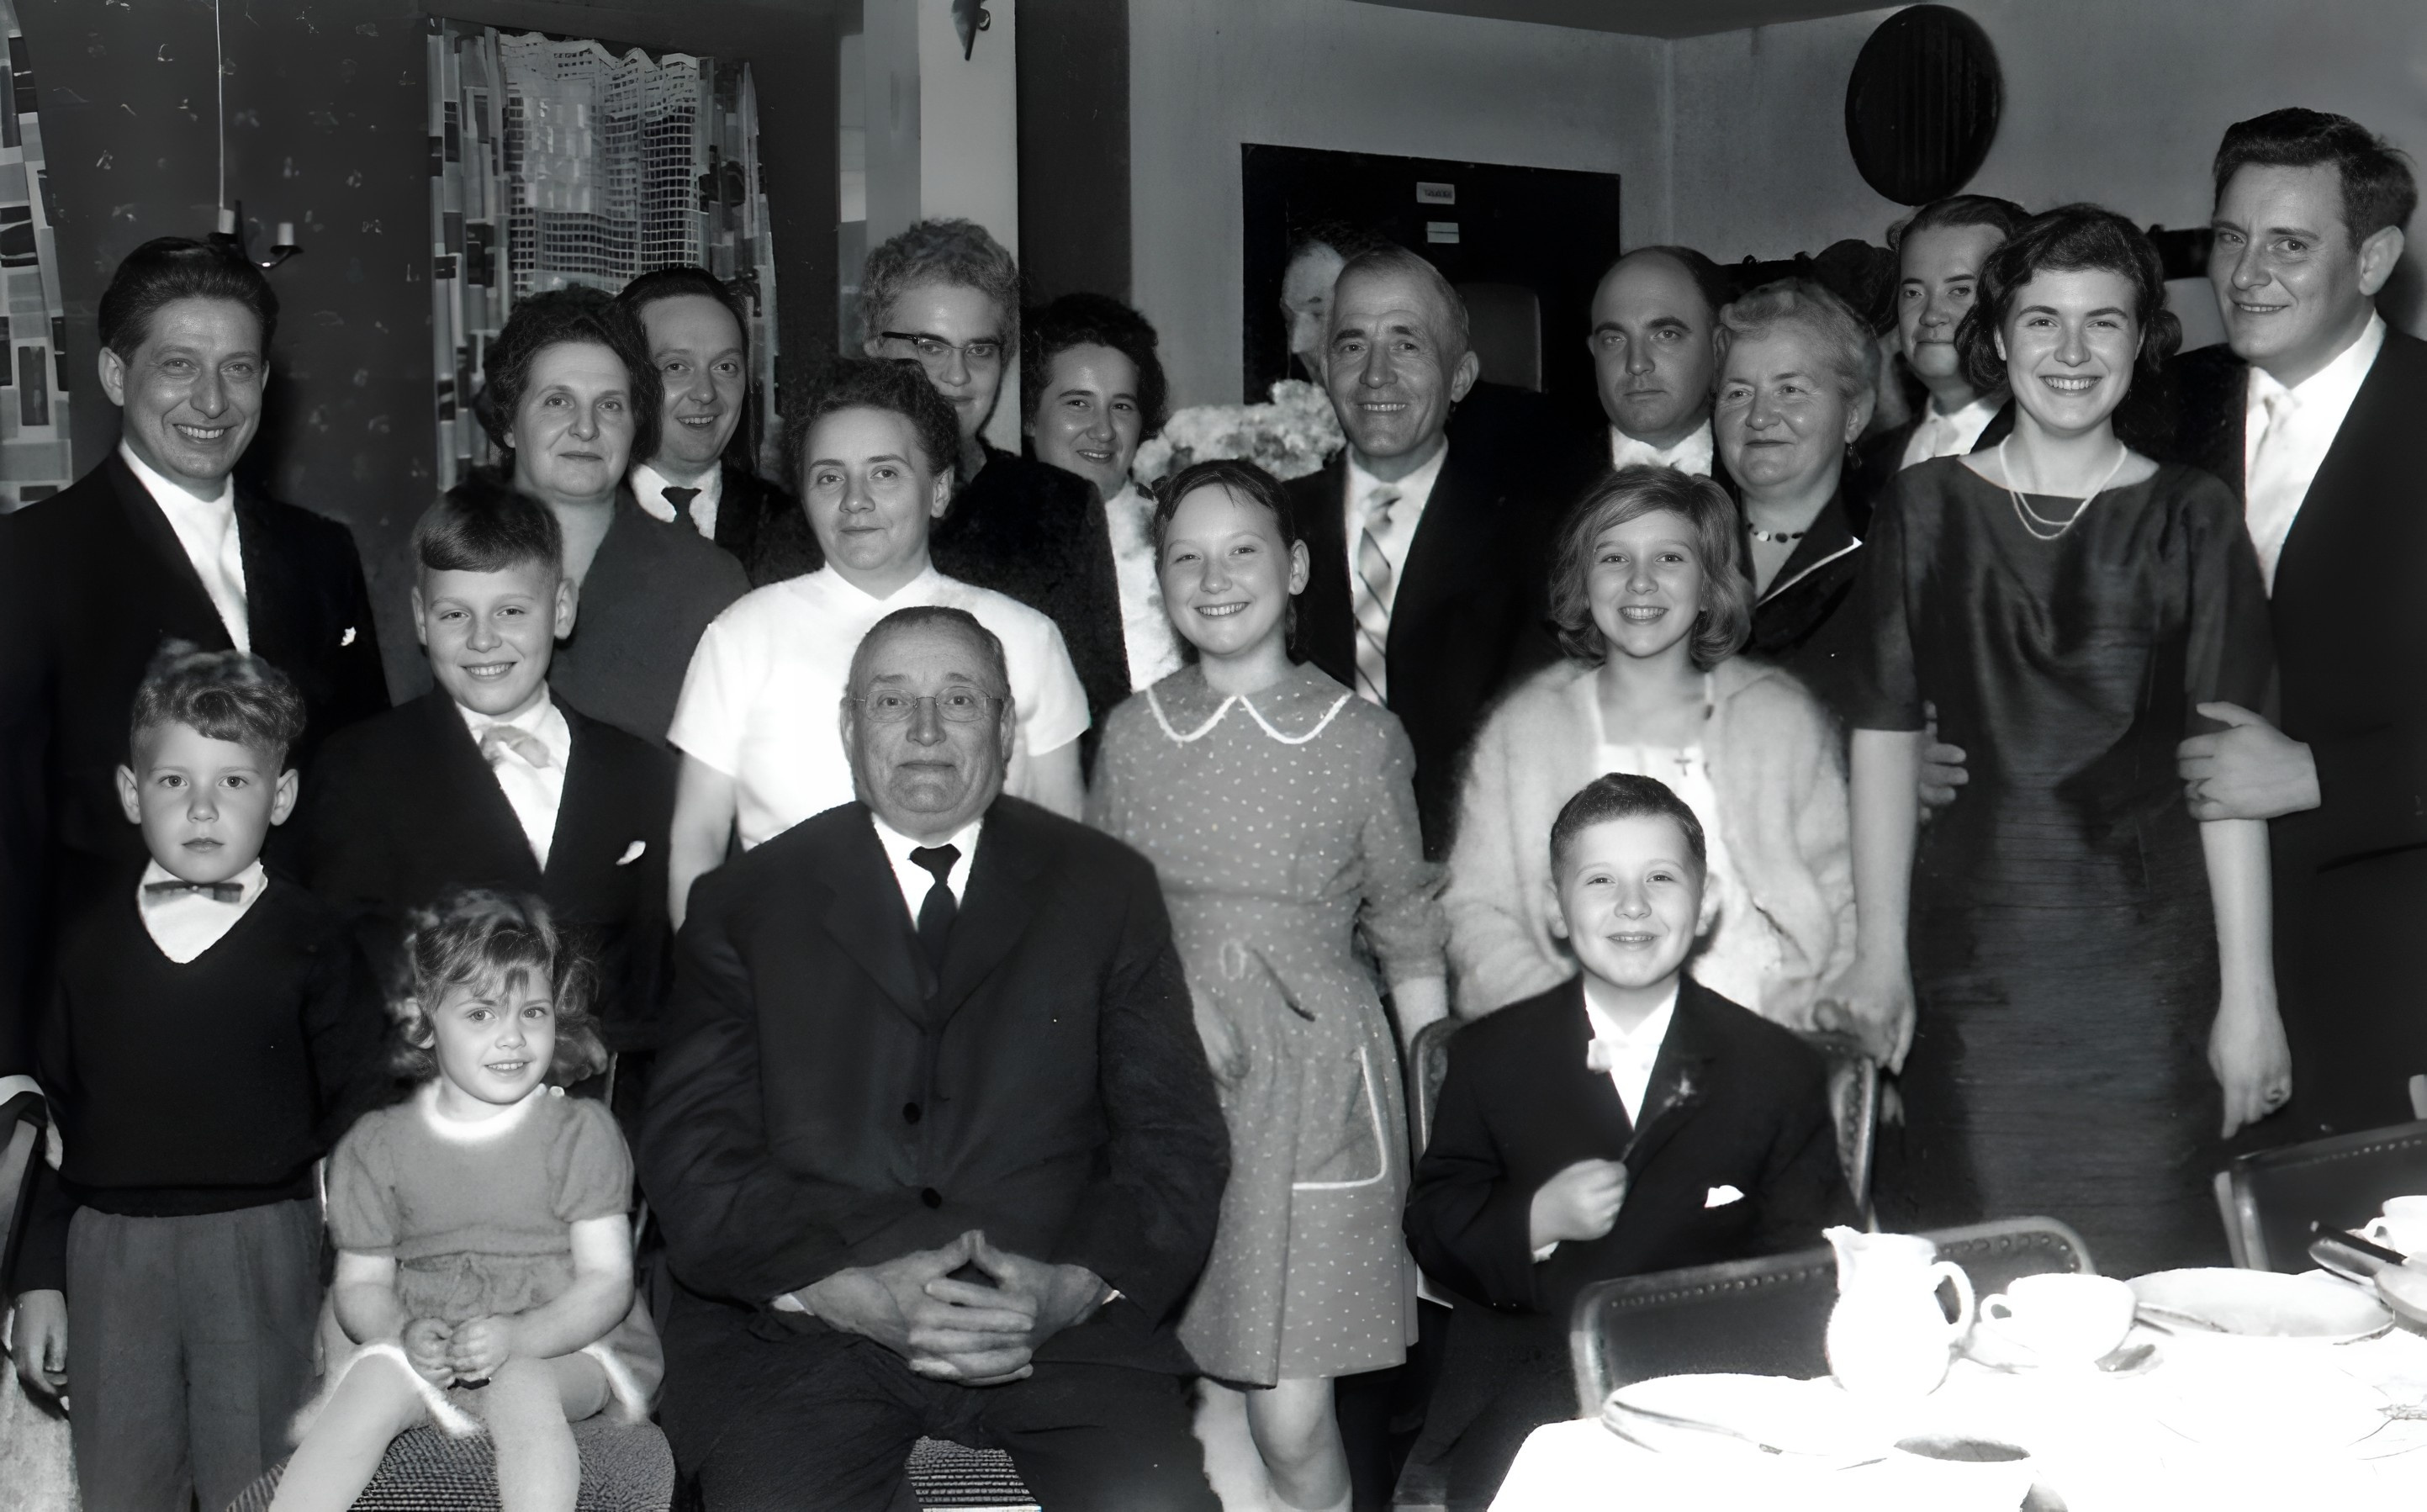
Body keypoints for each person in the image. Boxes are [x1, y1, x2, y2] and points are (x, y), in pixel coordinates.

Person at [642, 605, 1229, 1511]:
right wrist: (844, 1291)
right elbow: (692, 1152)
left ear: (1004, 727)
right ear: (848, 725)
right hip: (809, 1337)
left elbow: (1175, 1139)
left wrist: (1067, 1290)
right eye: (891, 700)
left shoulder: (1105, 888)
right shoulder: (745, 903)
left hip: (1052, 1332)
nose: (924, 728)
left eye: (959, 699)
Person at [1834, 205, 2285, 1276]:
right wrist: (1877, 954)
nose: (2071, 354)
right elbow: (1885, 738)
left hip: (2149, 988)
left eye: (2103, 324)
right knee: (1988, 1289)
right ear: (1996, 339)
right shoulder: (1926, 505)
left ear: (2144, 342)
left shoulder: (2194, 515)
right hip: (1974, 979)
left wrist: (2250, 1001)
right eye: (2042, 322)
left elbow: (2228, 778)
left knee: (2145, 1295)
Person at [1088, 460, 1446, 1512]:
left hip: (1318, 1098)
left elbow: (1410, 937)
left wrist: (1442, 1137)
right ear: (1160, 581)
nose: (1214, 576)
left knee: (1290, 1414)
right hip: (1173, 1093)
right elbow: (1105, 930)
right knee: (1204, 1404)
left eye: (1241, 549)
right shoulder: (1133, 734)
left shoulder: (1362, 738)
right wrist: (1168, 1006)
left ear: (1293, 567)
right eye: (1185, 557)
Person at [1406, 774, 1852, 1511]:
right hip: (1530, 1390)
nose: (1633, 905)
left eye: (1661, 879)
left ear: (1704, 902)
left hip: (1717, 1391)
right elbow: (1434, 1222)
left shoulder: (1776, 1067)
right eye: (1601, 880)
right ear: (1556, 908)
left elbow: (1811, 1265)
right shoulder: (1491, 1058)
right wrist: (1535, 1221)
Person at [7, 647, 385, 1512]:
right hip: (111, 1255)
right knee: (121, 1482)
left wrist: (350, 1280)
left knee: (258, 1479)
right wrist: (39, 1279)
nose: (203, 807)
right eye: (174, 781)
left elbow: (362, 1122)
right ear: (131, 793)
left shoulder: (317, 938)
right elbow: (55, 1124)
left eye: (234, 783)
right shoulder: (84, 945)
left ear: (280, 796)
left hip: (262, 1247)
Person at [0, 236, 388, 1074]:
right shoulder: (30, 560)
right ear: (115, 375)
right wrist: (11, 1062)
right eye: (178, 364)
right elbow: (9, 832)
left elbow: (361, 795)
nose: (211, 400)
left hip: (305, 1018)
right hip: (116, 1030)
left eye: (239, 368)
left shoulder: (320, 554)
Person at [2158, 109, 2427, 1139]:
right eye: (2230, 237)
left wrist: (2321, 776)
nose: (2246, 272)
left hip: (2385, 984)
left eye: (2289, 244)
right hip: (2175, 973)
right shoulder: (2159, 412)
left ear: (2374, 259)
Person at [270, 889, 662, 1512]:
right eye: (481, 1014)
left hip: (565, 1346)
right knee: (370, 1381)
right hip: (434, 1338)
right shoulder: (378, 1145)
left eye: (532, 1012)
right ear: (425, 1021)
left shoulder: (577, 1135)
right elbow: (361, 1287)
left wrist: (522, 1337)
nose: (513, 1038)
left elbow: (606, 1282)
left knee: (522, 1386)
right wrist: (402, 1331)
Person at [664, 357, 1089, 927]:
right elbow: (696, 844)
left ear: (938, 491)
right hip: (794, 976)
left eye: (884, 473)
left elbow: (1068, 843)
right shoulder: (741, 635)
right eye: (829, 477)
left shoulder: (1025, 637)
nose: (854, 500)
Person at [295, 487, 675, 1099]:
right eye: (454, 615)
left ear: (562, 608)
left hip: (606, 1142)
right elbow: (342, 990)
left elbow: (663, 989)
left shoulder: (641, 776)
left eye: (511, 612)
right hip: (428, 1135)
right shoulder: (360, 770)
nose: (482, 640)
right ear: (421, 619)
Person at [1446, 466, 1852, 1024]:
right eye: (1613, 558)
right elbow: (1477, 912)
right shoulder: (1525, 730)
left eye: (1670, 558)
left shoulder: (1780, 721)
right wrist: (1565, 1027)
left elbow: (1844, 898)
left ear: (1709, 586)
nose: (1640, 581)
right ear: (1583, 584)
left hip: (1762, 1047)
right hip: (1572, 1056)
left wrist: (1815, 1031)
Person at [1288, 246, 1563, 857]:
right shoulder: (1271, 526)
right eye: (1352, 345)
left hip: (1464, 879)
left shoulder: (1535, 540)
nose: (1376, 374)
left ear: (1461, 377)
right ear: (1326, 370)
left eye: (1406, 344)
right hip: (1297, 885)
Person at [860, 219, 1129, 727]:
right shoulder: (820, 505)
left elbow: (1099, 721)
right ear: (876, 348)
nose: (957, 376)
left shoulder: (1059, 509)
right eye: (930, 346)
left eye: (980, 350)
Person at [463, 286, 749, 748]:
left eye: (610, 405)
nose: (586, 426)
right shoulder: (440, 563)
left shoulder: (708, 587)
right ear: (508, 424)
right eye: (558, 401)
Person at [1715, 279, 1880, 711]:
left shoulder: (1896, 564)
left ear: (1853, 417)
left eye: (1790, 389)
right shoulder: (1674, 547)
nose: (1759, 416)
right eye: (1738, 393)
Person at [1023, 292, 1185, 691]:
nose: (1103, 431)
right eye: (1078, 403)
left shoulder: (1177, 533)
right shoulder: (992, 539)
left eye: (1122, 407)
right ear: (1029, 415)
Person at [618, 266, 818, 588]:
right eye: (676, 367)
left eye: (725, 367)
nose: (706, 392)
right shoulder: (571, 522)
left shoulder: (790, 524)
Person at [1848, 195, 2028, 515]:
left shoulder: (2061, 454)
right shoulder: (1873, 463)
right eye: (1913, 293)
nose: (1931, 314)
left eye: (1960, 290)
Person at [1587, 246, 1734, 479]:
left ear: (1719, 347)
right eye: (1614, 339)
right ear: (1594, 352)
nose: (1636, 364)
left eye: (1666, 334)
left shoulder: (1770, 471)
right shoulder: (1522, 478)